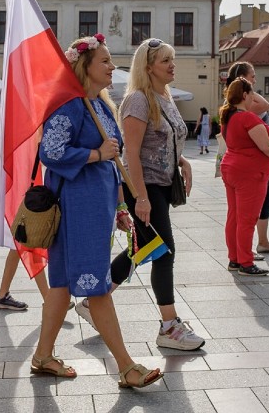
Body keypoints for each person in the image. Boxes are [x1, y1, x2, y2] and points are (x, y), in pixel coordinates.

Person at [33, 34, 163, 388]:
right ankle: (126, 366)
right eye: (104, 61)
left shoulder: (102, 105)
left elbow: (115, 160)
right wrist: (94, 154)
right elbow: (51, 152)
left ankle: (43, 355)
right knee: (99, 288)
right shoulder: (70, 106)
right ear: (84, 67)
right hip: (78, 210)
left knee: (60, 285)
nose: (112, 66)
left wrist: (121, 203)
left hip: (98, 205)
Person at [77, 38, 204, 352]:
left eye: (172, 59)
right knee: (164, 251)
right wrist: (141, 198)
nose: (172, 65)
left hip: (161, 183)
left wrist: (182, 160)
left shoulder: (164, 95)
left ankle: (95, 301)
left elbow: (164, 139)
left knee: (147, 246)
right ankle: (169, 326)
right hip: (143, 186)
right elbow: (131, 153)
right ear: (148, 68)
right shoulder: (137, 100)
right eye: (165, 61)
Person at [220, 77, 269, 275]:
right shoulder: (247, 118)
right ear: (245, 95)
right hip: (250, 172)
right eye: (251, 94)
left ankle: (235, 259)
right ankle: (246, 262)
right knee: (247, 219)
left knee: (234, 216)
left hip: (232, 167)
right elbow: (265, 145)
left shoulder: (228, 117)